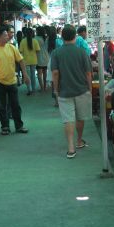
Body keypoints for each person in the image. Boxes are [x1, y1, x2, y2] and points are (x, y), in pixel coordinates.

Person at [51, 25, 92, 159]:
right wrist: (90, 88)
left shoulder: (56, 53)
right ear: (76, 36)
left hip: (64, 91)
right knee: (80, 117)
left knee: (68, 119)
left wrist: (56, 90)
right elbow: (88, 73)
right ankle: (79, 141)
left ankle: (70, 148)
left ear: (62, 37)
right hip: (81, 90)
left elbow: (55, 73)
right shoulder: (82, 52)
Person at [0, 27, 30, 135]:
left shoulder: (12, 47)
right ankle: (5, 127)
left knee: (16, 106)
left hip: (12, 82)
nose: (8, 36)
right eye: (5, 35)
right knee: (1, 107)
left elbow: (21, 61)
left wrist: (25, 74)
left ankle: (19, 126)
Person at [19, 27, 40, 96]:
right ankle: (34, 89)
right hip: (34, 60)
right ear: (32, 33)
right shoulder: (35, 41)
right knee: (33, 75)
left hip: (25, 61)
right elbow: (37, 51)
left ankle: (29, 89)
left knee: (27, 76)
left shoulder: (23, 41)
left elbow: (20, 52)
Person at [34, 26, 49, 92]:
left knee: (39, 74)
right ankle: (45, 87)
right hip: (46, 57)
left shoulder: (35, 39)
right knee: (45, 73)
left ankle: (42, 88)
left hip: (39, 57)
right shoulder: (46, 38)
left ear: (37, 31)